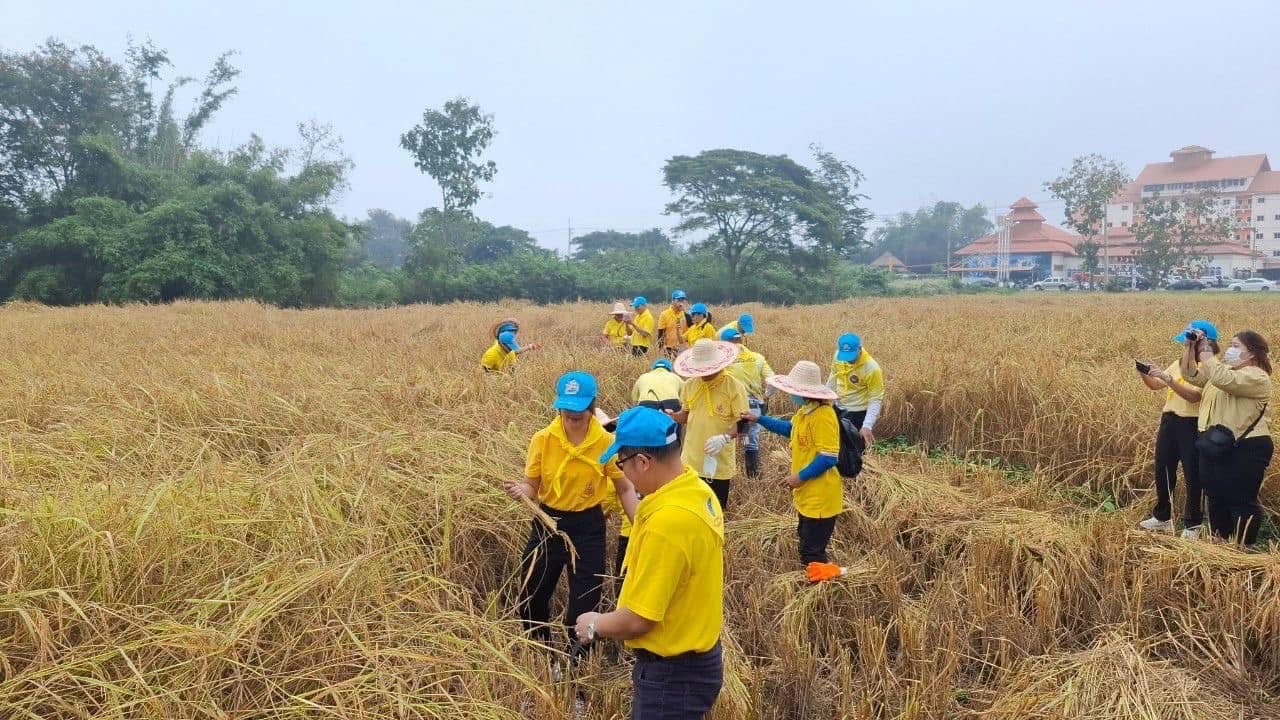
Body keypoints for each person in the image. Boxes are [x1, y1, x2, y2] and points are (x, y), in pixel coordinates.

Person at [574, 406, 724, 719]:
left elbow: (640, 619)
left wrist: (594, 624)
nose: (623, 474)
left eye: (622, 463)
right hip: (694, 663)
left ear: (642, 462)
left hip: (673, 677)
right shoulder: (697, 490)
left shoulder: (668, 523)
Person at [505, 371, 639, 655]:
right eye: (567, 411)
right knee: (531, 595)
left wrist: (641, 528)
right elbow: (532, 485)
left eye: (579, 411)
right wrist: (522, 490)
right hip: (548, 523)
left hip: (588, 527)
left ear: (592, 407)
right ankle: (542, 654)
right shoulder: (543, 439)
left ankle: (575, 664)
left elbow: (625, 488)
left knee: (584, 603)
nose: (572, 417)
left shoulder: (605, 443)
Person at [744, 360, 843, 569]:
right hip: (808, 494)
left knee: (812, 553)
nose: (790, 394)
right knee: (806, 541)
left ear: (805, 392)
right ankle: (818, 577)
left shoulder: (823, 416)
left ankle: (822, 582)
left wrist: (800, 477)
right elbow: (790, 429)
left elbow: (829, 456)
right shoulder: (805, 412)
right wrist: (759, 419)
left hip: (821, 496)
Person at [1180, 328, 1273, 545]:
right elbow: (1190, 375)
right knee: (1215, 494)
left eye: (1236, 346)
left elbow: (1223, 379)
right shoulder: (1225, 372)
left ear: (1252, 353)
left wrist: (1206, 347)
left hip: (1248, 446)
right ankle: (1220, 539)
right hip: (1219, 443)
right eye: (1230, 345)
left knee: (1240, 499)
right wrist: (1190, 347)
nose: (1230, 350)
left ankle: (1243, 546)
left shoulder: (1257, 376)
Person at [1135, 320, 1218, 534]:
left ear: (1203, 343)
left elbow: (1193, 397)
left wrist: (1169, 379)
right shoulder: (1179, 363)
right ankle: (1162, 517)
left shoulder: (1211, 368)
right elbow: (1156, 385)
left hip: (1192, 424)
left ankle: (1193, 524)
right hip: (1169, 420)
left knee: (1193, 474)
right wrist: (1145, 373)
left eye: (1189, 342)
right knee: (1162, 469)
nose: (1186, 346)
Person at [672, 339, 749, 512]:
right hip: (691, 460)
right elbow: (686, 415)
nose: (704, 372)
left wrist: (724, 438)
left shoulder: (733, 387)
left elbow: (744, 421)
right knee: (691, 510)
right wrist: (673, 416)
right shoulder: (690, 385)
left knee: (715, 511)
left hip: (718, 462)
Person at [720, 327, 774, 479]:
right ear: (740, 340)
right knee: (751, 441)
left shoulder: (724, 360)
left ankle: (726, 473)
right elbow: (772, 380)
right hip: (754, 406)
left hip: (733, 407)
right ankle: (752, 476)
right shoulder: (758, 357)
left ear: (726, 343)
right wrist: (766, 396)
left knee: (728, 436)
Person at [825, 333, 884, 463]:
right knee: (834, 447)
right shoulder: (838, 357)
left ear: (860, 349)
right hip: (838, 408)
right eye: (845, 356)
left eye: (851, 356)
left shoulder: (872, 368)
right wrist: (823, 400)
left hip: (858, 414)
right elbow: (833, 378)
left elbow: (875, 399)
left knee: (855, 454)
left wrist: (867, 425)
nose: (848, 360)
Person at [657, 290, 691, 358]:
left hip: (683, 348)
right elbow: (661, 333)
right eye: (679, 300)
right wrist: (660, 348)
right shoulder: (664, 314)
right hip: (668, 348)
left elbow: (692, 329)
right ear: (672, 301)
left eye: (683, 300)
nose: (681, 303)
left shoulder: (686, 315)